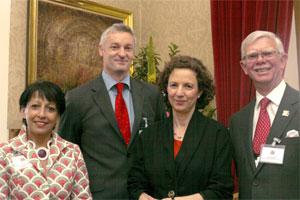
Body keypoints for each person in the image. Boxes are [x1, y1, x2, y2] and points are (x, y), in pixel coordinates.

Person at [58, 23, 166, 199]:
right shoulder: (78, 99)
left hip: (145, 194)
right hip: (98, 195)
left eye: (128, 48)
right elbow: (66, 156)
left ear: (133, 53)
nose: (122, 53)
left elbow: (162, 145)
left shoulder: (151, 94)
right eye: (115, 47)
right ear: (101, 50)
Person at [128, 55, 234, 200]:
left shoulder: (217, 134)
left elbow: (222, 190)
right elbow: (134, 183)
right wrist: (141, 196)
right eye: (173, 85)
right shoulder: (149, 135)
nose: (179, 93)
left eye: (188, 86)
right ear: (166, 89)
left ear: (200, 92)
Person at [229, 30, 299, 199]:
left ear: (283, 61)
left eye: (267, 53)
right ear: (244, 67)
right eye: (252, 56)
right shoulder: (237, 121)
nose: (260, 60)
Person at [0, 81, 91, 199]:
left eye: (50, 109)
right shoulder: (4, 152)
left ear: (58, 116)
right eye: (35, 107)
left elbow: (83, 197)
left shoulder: (72, 152)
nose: (42, 114)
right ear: (23, 112)